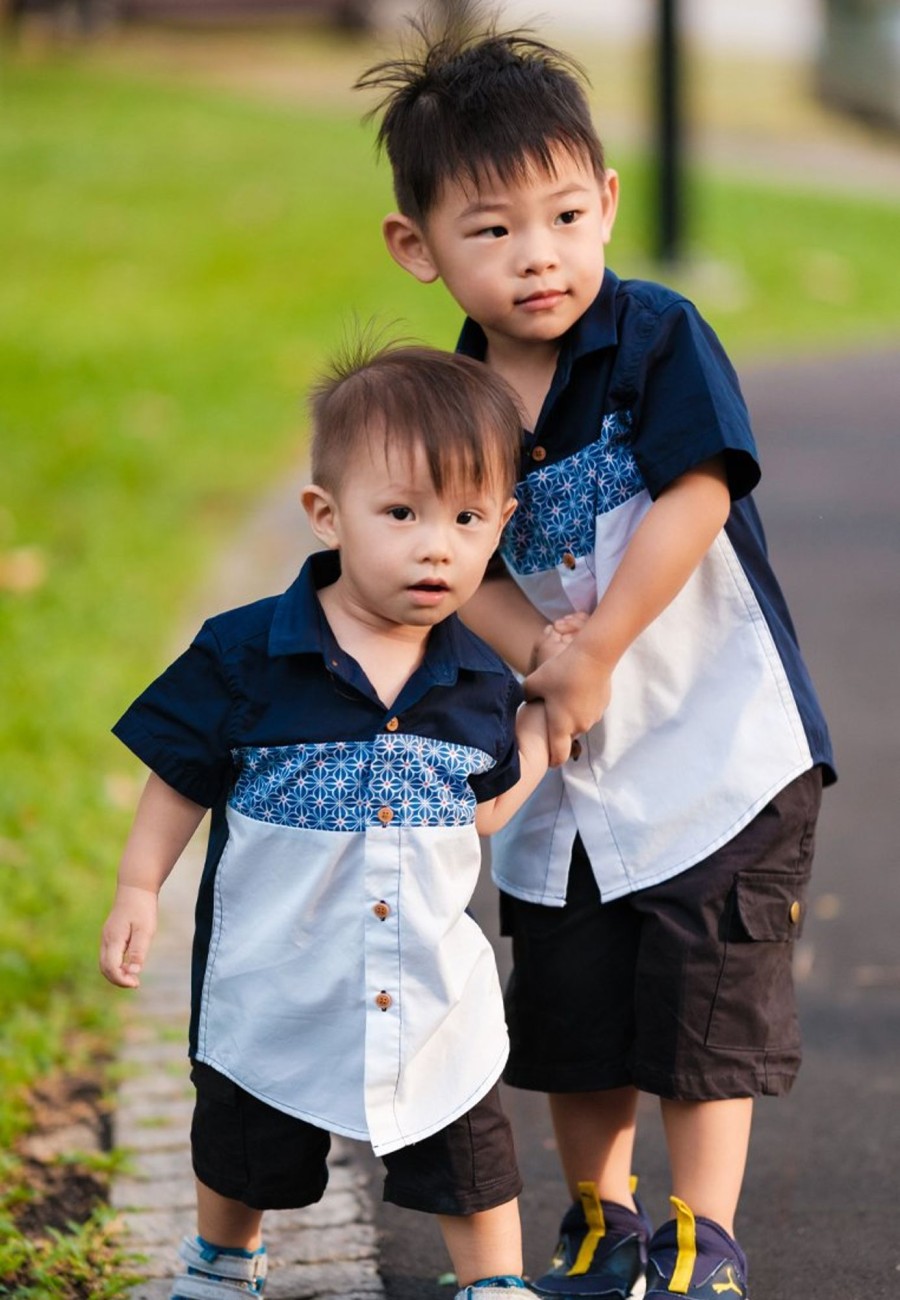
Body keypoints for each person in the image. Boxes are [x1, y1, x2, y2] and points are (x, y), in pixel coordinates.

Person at [356, 12, 835, 1300]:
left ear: (610, 203)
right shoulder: (447, 407)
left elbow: (696, 493)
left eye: (564, 217)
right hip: (561, 769)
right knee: (573, 1010)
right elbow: (465, 572)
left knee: (702, 998)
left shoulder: (656, 337)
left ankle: (701, 1238)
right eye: (492, 229)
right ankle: (601, 1217)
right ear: (419, 248)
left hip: (715, 742)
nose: (538, 257)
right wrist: (542, 654)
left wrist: (599, 644)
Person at [99, 342, 561, 1300]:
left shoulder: (479, 678)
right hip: (278, 974)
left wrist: (546, 738)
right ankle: (226, 1257)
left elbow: (482, 816)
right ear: (328, 514)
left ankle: (495, 1282)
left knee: (466, 1141)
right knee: (241, 1137)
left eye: (467, 519)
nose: (436, 545)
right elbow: (180, 775)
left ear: (500, 528)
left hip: (428, 980)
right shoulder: (248, 656)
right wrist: (140, 884)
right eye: (401, 514)